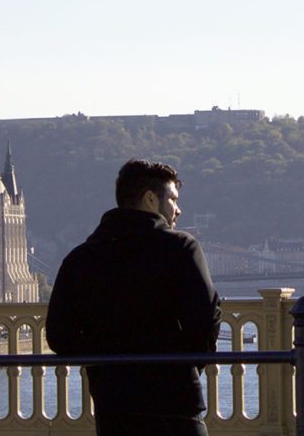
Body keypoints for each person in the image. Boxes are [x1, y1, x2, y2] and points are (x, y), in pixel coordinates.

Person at [45, 159, 222, 436]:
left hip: (113, 406)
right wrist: (179, 363)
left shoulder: (79, 259)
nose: (178, 209)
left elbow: (58, 336)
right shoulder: (181, 249)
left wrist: (107, 361)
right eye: (173, 199)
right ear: (151, 198)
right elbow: (206, 320)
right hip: (175, 405)